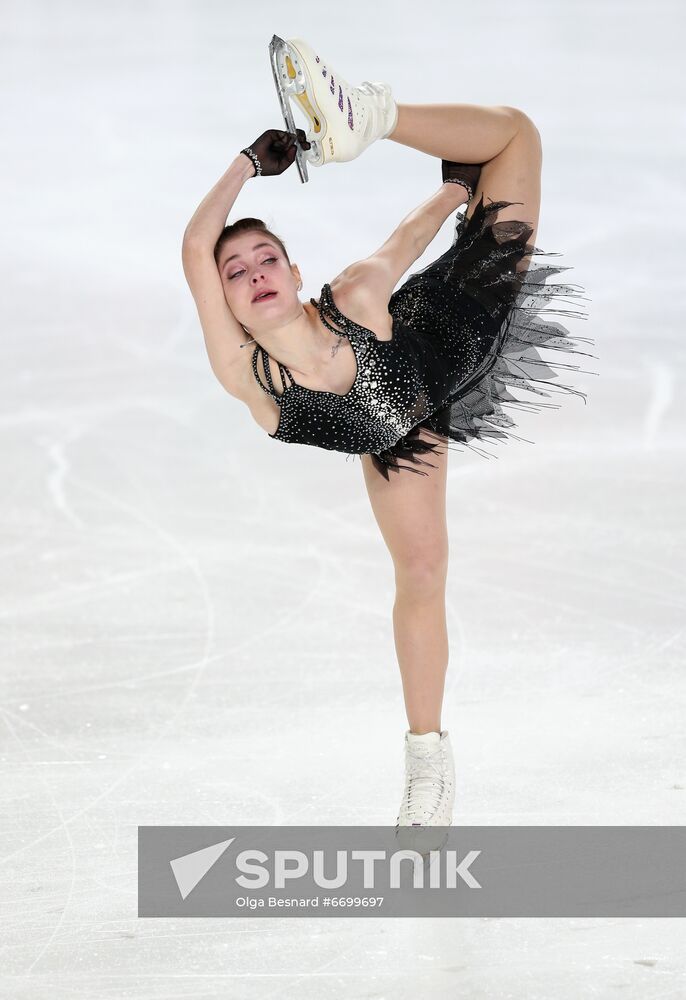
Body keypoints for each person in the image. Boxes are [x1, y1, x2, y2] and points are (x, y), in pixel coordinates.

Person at [181, 37, 595, 849]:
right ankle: (428, 763)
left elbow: (407, 242)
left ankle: (368, 118)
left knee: (517, 134)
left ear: (296, 276)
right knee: (423, 570)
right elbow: (196, 245)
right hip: (406, 431)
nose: (256, 270)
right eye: (239, 272)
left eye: (268, 257)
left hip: (464, 313)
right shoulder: (248, 375)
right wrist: (245, 164)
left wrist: (452, 192)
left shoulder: (352, 296)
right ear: (225, 303)